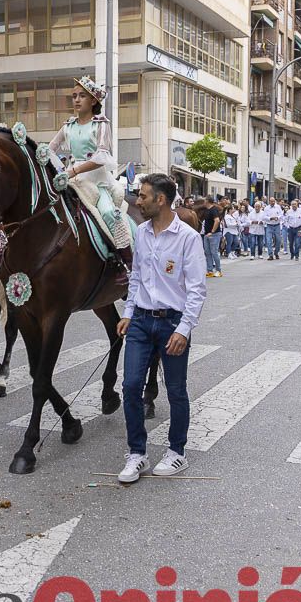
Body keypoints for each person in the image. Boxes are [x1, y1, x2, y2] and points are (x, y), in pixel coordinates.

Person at [116, 174, 206, 483]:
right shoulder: (140, 232)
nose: (137, 201)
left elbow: (196, 290)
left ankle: (176, 451)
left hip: (172, 323)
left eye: (141, 196)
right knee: (130, 386)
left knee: (176, 390)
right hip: (141, 320)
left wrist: (183, 330)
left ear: (160, 200)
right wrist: (128, 312)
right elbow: (137, 276)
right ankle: (137, 454)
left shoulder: (188, 238)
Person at [48, 77, 134, 269]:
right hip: (71, 180)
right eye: (74, 96)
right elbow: (49, 150)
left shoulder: (101, 124)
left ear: (94, 100)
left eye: (82, 96)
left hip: (97, 181)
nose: (77, 100)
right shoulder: (68, 126)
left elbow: (102, 157)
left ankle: (125, 263)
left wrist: (72, 171)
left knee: (109, 213)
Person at [200, 198, 222, 277]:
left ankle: (218, 270)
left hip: (214, 234)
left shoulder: (214, 209)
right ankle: (210, 270)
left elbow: (217, 220)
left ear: (208, 201)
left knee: (214, 252)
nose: (203, 202)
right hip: (207, 234)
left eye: (205, 200)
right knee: (208, 253)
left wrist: (212, 232)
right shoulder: (207, 210)